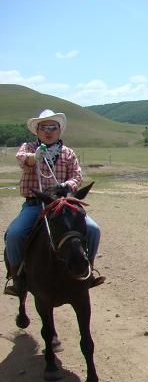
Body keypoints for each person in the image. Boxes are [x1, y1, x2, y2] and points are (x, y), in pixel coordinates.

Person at [4, 109, 104, 296]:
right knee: (14, 235)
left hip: (62, 205)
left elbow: (77, 176)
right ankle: (17, 278)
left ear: (59, 130)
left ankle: (88, 271)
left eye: (53, 127)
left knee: (93, 230)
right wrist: (35, 158)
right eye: (44, 127)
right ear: (37, 131)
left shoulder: (68, 153)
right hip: (35, 205)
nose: (48, 131)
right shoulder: (29, 147)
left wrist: (67, 185)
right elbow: (22, 159)